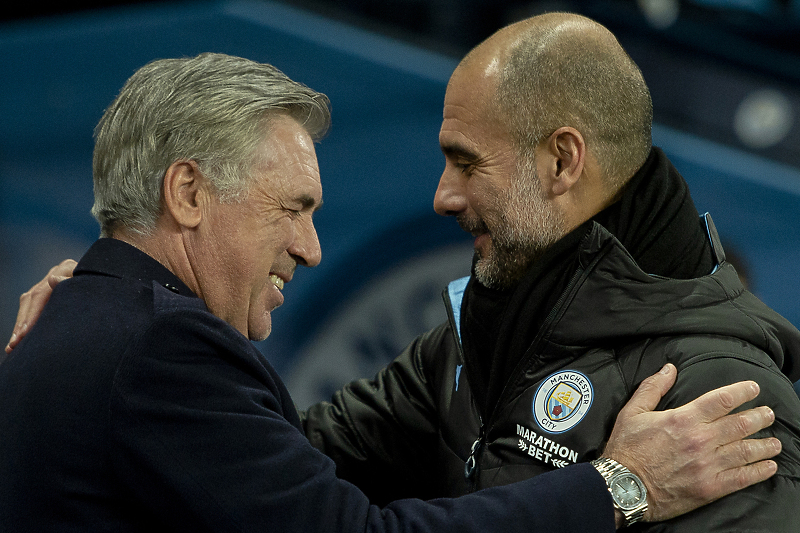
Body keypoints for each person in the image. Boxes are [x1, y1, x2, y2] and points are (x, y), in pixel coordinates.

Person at [0, 49, 784, 533]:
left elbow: (275, 466)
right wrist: (620, 486)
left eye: (466, 163)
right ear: (189, 193)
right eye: (293, 207)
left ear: (563, 161)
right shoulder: (157, 346)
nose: (309, 247)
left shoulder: (722, 386)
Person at [296, 12, 800, 532]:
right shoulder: (463, 346)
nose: (443, 197)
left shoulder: (725, 401)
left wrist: (613, 491)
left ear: (562, 161)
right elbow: (280, 475)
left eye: (467, 164)